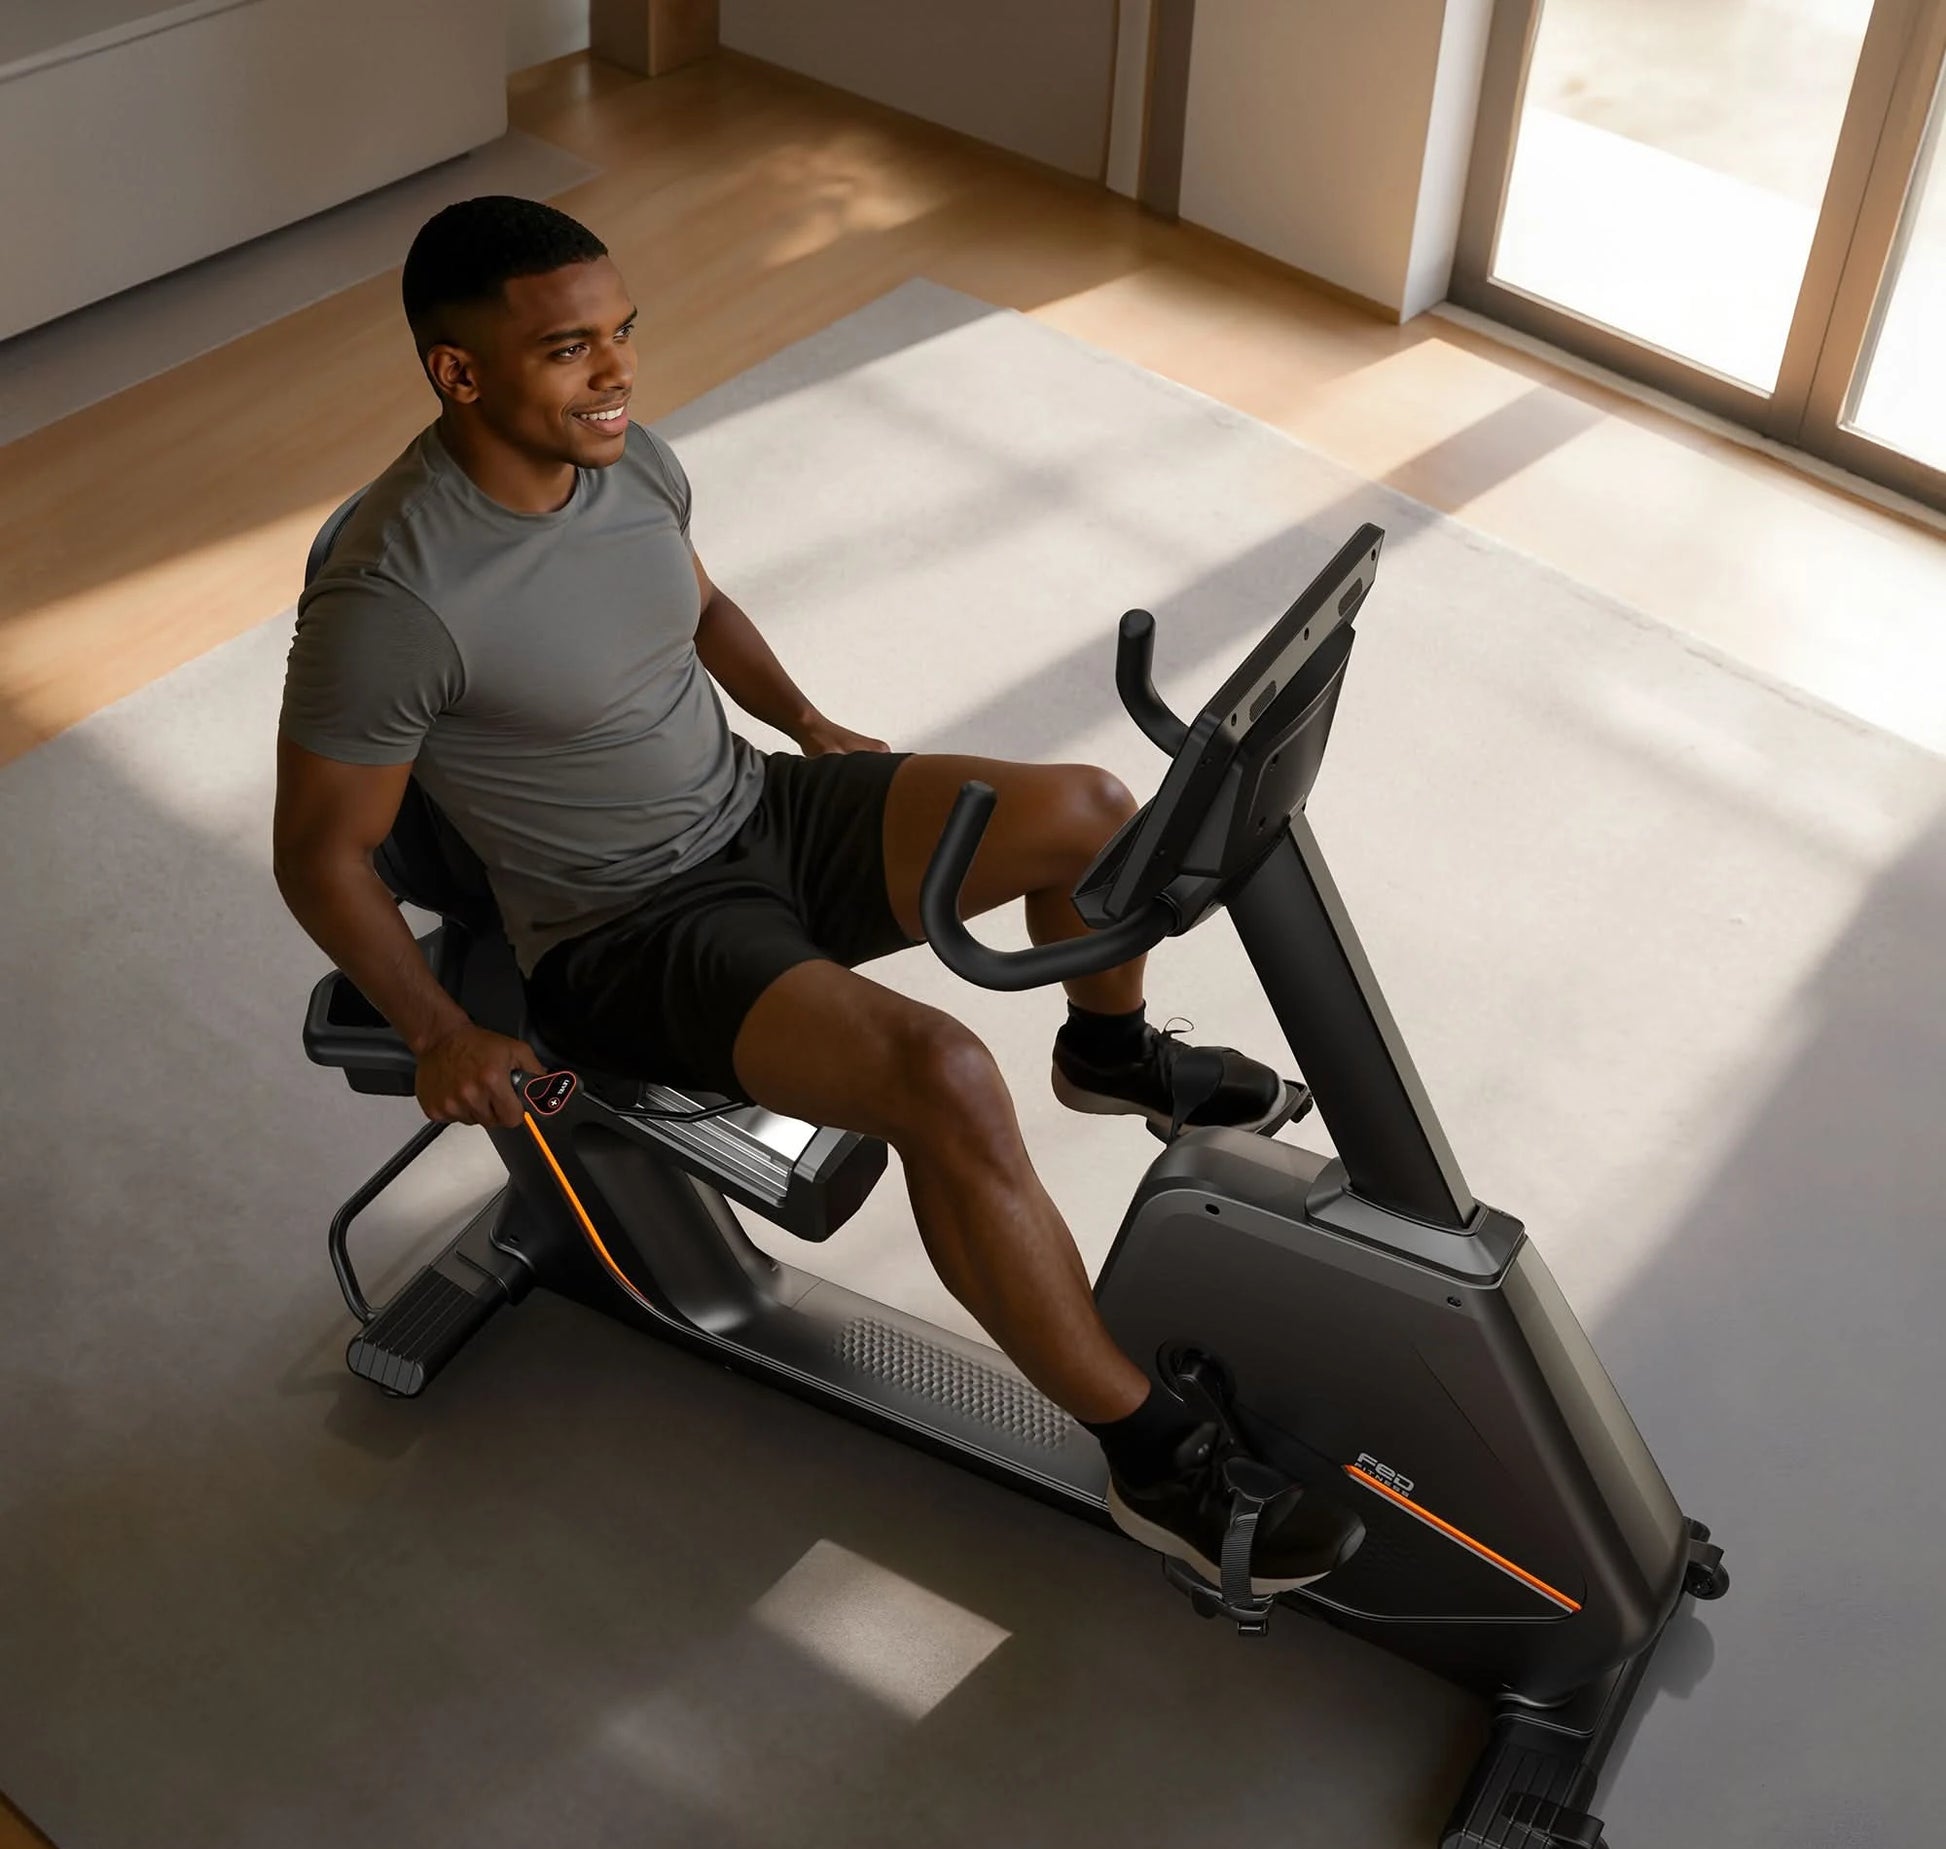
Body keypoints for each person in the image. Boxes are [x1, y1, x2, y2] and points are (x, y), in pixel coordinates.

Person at [273, 196, 1359, 1595]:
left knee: (1087, 814)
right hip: (627, 930)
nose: (613, 375)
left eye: (620, 336)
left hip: (759, 811)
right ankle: (1154, 1457)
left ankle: (1106, 1052)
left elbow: (698, 603)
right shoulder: (393, 591)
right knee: (942, 1073)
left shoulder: (624, 458)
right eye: (566, 349)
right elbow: (320, 853)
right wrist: (436, 1028)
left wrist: (804, 717)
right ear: (459, 372)